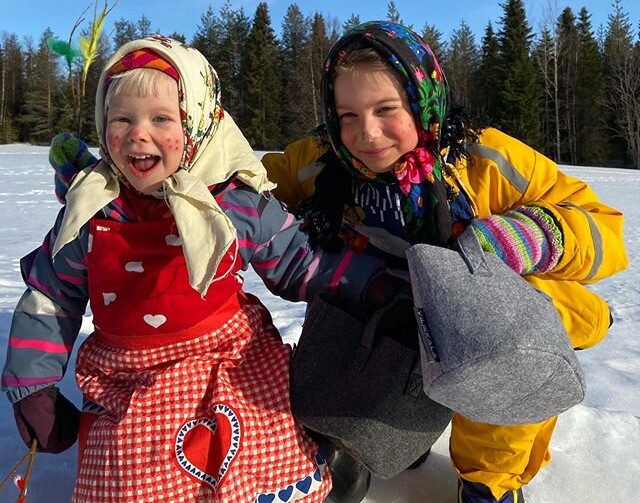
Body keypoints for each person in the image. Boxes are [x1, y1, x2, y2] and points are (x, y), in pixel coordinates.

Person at [1, 35, 393, 503]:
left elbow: (300, 259)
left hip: (227, 362)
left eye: (161, 119)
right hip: (129, 382)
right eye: (121, 119)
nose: (137, 134)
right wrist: (32, 385)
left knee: (263, 447)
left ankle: (327, 473)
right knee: (128, 480)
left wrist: (373, 284)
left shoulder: (228, 206)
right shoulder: (91, 215)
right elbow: (50, 297)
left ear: (197, 126)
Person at [260, 20, 628, 503]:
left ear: (422, 99)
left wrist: (531, 234)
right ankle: (369, 443)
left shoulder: (483, 160)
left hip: (477, 323)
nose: (365, 134)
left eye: (386, 109)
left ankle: (486, 485)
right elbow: (250, 184)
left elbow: (603, 227)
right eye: (346, 115)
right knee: (334, 372)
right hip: (378, 315)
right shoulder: (319, 161)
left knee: (501, 378)